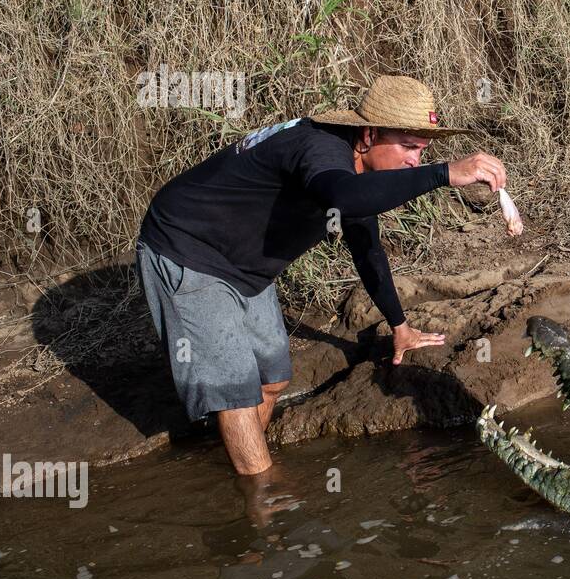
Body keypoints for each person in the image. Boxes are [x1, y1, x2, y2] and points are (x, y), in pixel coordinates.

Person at [134, 75, 507, 476]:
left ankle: (237, 461)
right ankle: (265, 503)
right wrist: (442, 173)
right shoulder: (320, 148)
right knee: (236, 398)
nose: (415, 160)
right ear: (367, 135)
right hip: (188, 249)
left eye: (423, 151)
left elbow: (366, 247)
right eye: (409, 147)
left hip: (244, 267)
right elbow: (342, 197)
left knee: (271, 380)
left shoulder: (355, 168)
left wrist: (400, 325)